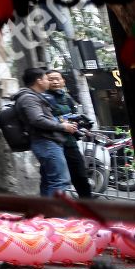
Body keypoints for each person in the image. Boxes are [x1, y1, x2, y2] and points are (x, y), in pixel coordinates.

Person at [15, 66, 79, 197]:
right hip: (46, 143)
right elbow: (37, 119)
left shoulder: (33, 96)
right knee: (60, 181)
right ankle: (56, 215)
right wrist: (62, 127)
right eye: (46, 79)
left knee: (49, 181)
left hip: (46, 142)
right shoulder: (29, 98)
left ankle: (47, 214)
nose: (49, 82)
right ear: (39, 81)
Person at [43, 70, 93, 198]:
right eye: (50, 79)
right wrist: (61, 122)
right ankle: (52, 212)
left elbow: (73, 117)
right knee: (55, 179)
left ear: (63, 81)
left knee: (81, 176)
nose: (54, 82)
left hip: (70, 143)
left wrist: (81, 126)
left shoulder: (67, 97)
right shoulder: (41, 98)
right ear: (44, 81)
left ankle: (89, 209)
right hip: (52, 145)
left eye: (57, 79)